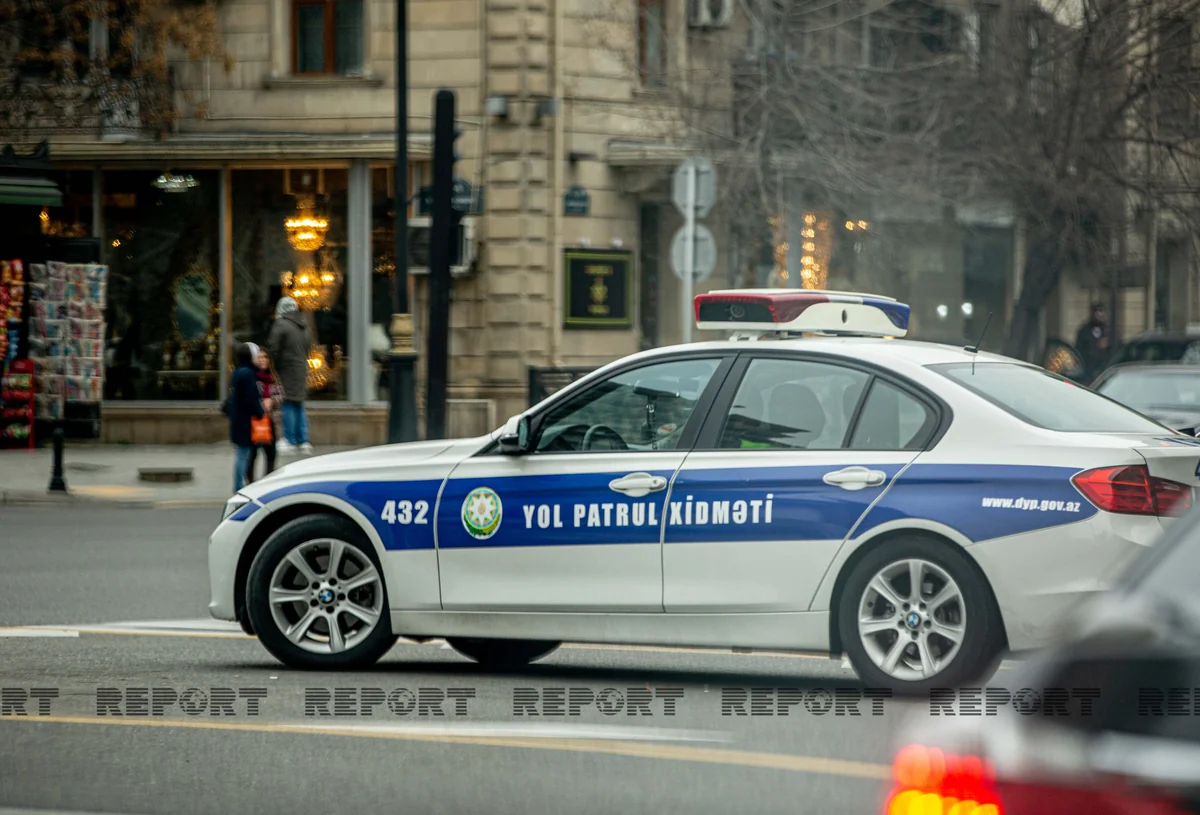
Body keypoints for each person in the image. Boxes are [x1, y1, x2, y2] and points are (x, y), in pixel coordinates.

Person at [267, 296, 312, 455]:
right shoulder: (303, 325)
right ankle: (304, 440)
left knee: (288, 403)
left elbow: (273, 347)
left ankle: (290, 439)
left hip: (286, 369)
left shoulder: (281, 324)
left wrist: (272, 364)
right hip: (301, 367)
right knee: (299, 403)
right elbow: (308, 347)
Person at [228, 342, 268, 493]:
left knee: (243, 453)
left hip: (240, 419)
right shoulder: (247, 374)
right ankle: (238, 486)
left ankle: (240, 484)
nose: (258, 358)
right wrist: (260, 412)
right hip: (245, 421)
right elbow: (250, 398)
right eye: (256, 354)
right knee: (243, 454)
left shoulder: (241, 371)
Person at [244, 343, 277, 484]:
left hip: (269, 419)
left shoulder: (273, 377)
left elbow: (281, 394)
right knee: (252, 454)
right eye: (259, 357)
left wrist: (273, 401)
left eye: (265, 357)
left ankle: (268, 480)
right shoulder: (251, 376)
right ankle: (250, 481)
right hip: (253, 420)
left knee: (271, 453)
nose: (262, 360)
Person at [1075, 302, 1113, 380]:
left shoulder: (1110, 331)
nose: (1099, 314)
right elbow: (1078, 349)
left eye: (1101, 311)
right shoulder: (1084, 331)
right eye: (1097, 311)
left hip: (1105, 370)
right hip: (1087, 370)